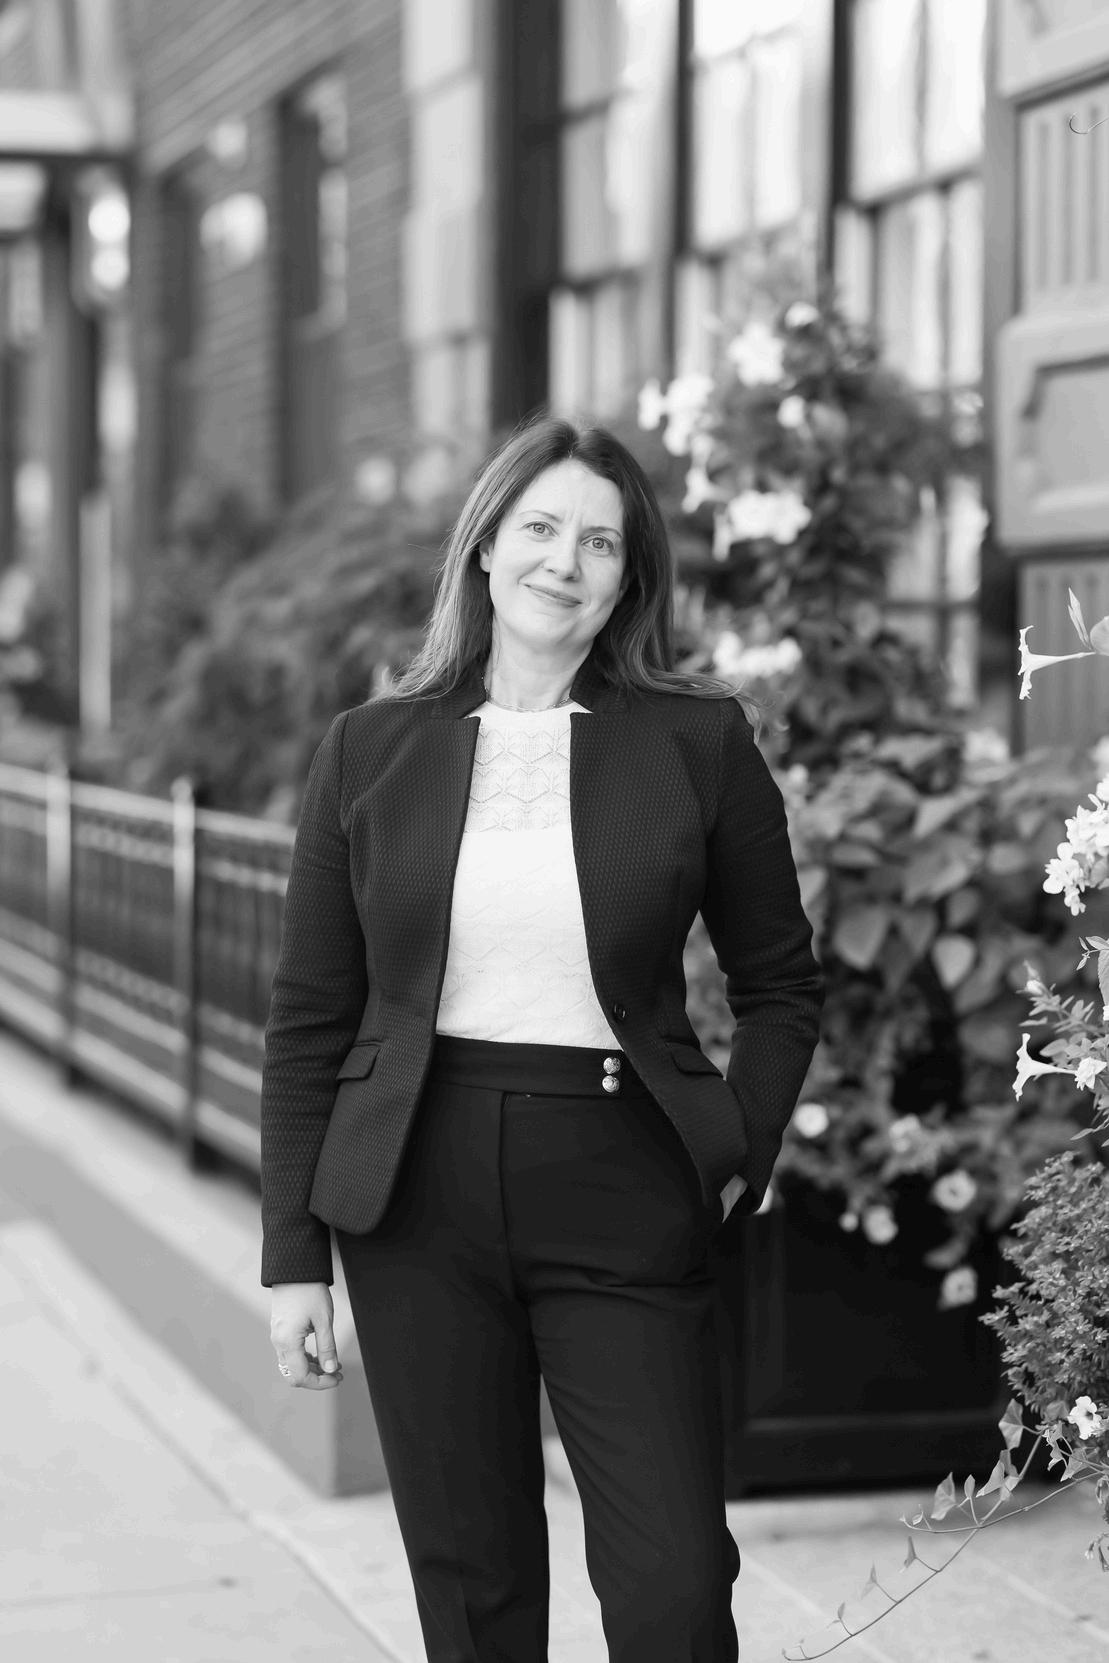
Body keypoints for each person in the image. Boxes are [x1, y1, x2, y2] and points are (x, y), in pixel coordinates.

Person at [260, 413, 824, 1663]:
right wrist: (292, 1256)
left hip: (623, 1175)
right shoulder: (368, 748)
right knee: (473, 1594)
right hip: (414, 1188)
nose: (563, 561)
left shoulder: (696, 742)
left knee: (674, 1588)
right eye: (540, 529)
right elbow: (308, 1018)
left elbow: (780, 984)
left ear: (627, 579)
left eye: (599, 543)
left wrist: (738, 1147)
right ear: (484, 546)